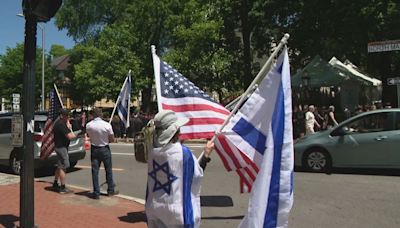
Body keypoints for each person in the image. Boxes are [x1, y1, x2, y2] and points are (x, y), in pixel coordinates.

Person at [145, 110, 214, 228]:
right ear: (176, 130)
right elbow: (195, 175)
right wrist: (206, 154)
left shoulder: (153, 151)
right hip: (178, 212)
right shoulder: (183, 152)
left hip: (155, 209)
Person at [86, 108, 119, 199]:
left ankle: (96, 192)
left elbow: (89, 135)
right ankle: (110, 190)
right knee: (108, 170)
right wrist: (114, 140)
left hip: (94, 148)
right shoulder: (106, 125)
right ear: (102, 115)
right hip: (104, 147)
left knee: (95, 171)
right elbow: (111, 139)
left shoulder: (89, 125)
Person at [51, 109, 76, 194]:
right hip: (61, 147)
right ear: (61, 116)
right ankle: (63, 187)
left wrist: (69, 128)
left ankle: (55, 183)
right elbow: (69, 136)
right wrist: (73, 135)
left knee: (60, 165)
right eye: (66, 115)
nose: (68, 117)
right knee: (63, 166)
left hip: (60, 147)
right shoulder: (61, 124)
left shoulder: (60, 124)